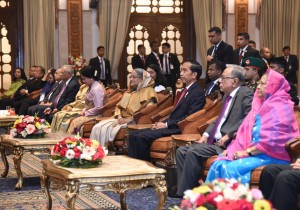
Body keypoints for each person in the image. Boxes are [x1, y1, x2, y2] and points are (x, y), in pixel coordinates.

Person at [205, 69, 299, 185]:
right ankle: (212, 201)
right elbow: (243, 133)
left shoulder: (280, 108)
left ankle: (236, 201)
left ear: (273, 86)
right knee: (218, 163)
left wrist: (246, 153)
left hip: (271, 155)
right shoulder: (260, 105)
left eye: (263, 84)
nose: (258, 86)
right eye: (259, 83)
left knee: (229, 169)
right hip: (255, 152)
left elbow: (271, 141)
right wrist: (231, 150)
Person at [176, 64, 253, 197]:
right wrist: (206, 133)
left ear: (235, 81)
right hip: (214, 140)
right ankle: (188, 191)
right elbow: (220, 118)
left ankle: (189, 196)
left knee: (193, 151)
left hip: (227, 143)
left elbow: (249, 117)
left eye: (223, 78)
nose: (220, 81)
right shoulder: (227, 96)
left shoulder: (245, 93)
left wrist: (229, 134)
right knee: (181, 151)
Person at [128, 60, 206, 161]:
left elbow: (189, 117)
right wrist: (162, 122)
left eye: (184, 70)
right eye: (181, 70)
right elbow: (175, 113)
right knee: (133, 135)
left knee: (141, 137)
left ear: (194, 74)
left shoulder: (197, 93)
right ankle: (133, 168)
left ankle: (145, 170)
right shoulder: (185, 90)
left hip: (177, 128)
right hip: (170, 125)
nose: (181, 73)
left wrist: (166, 125)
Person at [90, 68, 158, 146]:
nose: (131, 79)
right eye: (130, 77)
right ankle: (96, 152)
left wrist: (130, 119)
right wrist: (119, 117)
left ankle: (103, 151)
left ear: (142, 78)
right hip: (120, 119)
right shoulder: (130, 92)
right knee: (97, 127)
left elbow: (149, 109)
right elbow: (118, 107)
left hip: (134, 120)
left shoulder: (148, 91)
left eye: (134, 77)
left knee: (104, 129)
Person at [66, 66, 106, 134]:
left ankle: (75, 142)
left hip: (96, 115)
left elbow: (99, 107)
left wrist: (86, 113)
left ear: (91, 77)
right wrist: (84, 110)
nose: (83, 81)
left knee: (75, 122)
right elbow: (89, 104)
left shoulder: (96, 89)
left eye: (84, 79)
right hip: (90, 112)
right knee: (73, 120)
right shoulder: (92, 86)